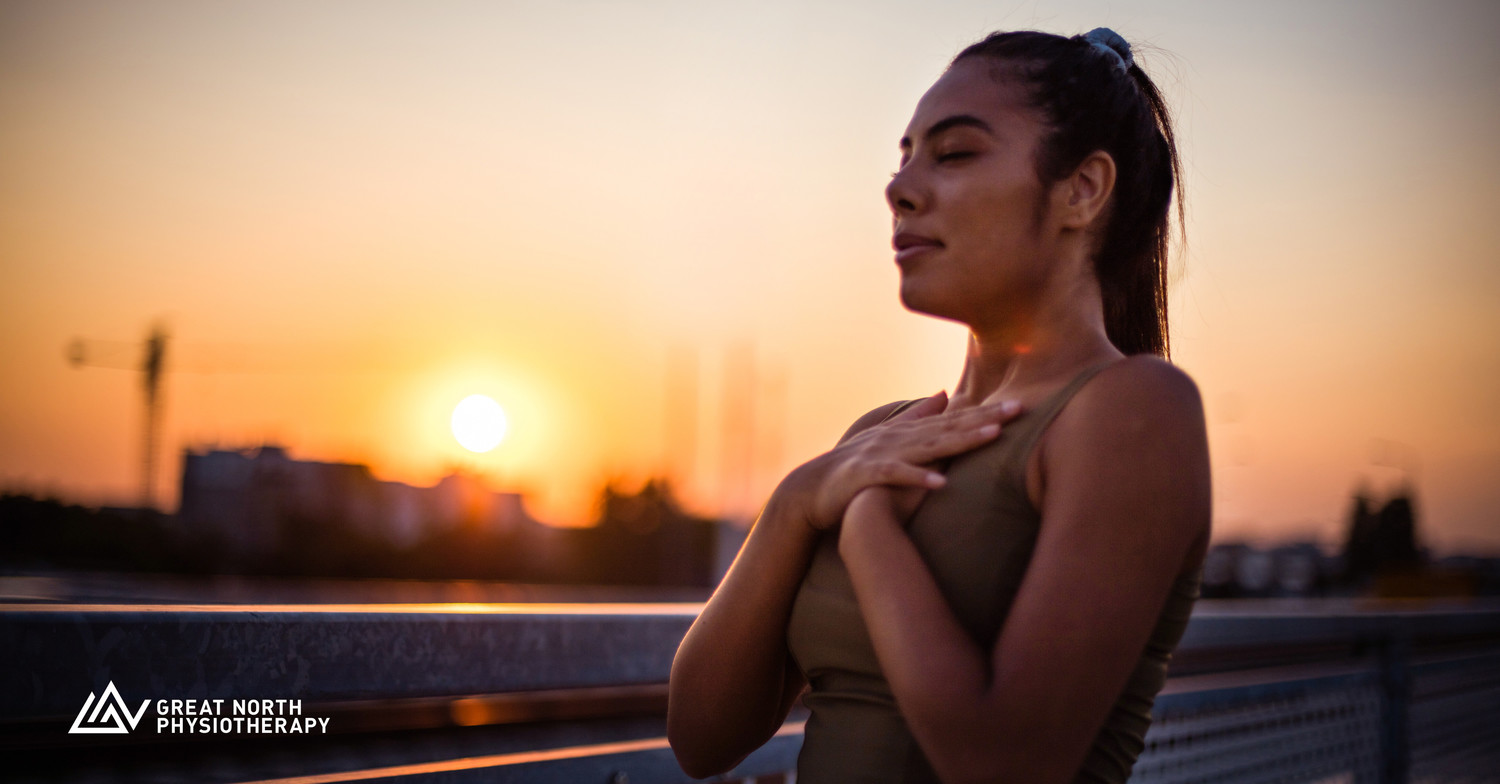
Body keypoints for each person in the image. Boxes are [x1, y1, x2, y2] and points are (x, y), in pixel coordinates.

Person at [667, 27, 1210, 784]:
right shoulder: (880, 439)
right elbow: (699, 740)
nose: (900, 188)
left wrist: (865, 524)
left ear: (1082, 190)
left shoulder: (1134, 409)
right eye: (905, 155)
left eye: (953, 154)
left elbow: (1004, 766)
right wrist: (794, 501)